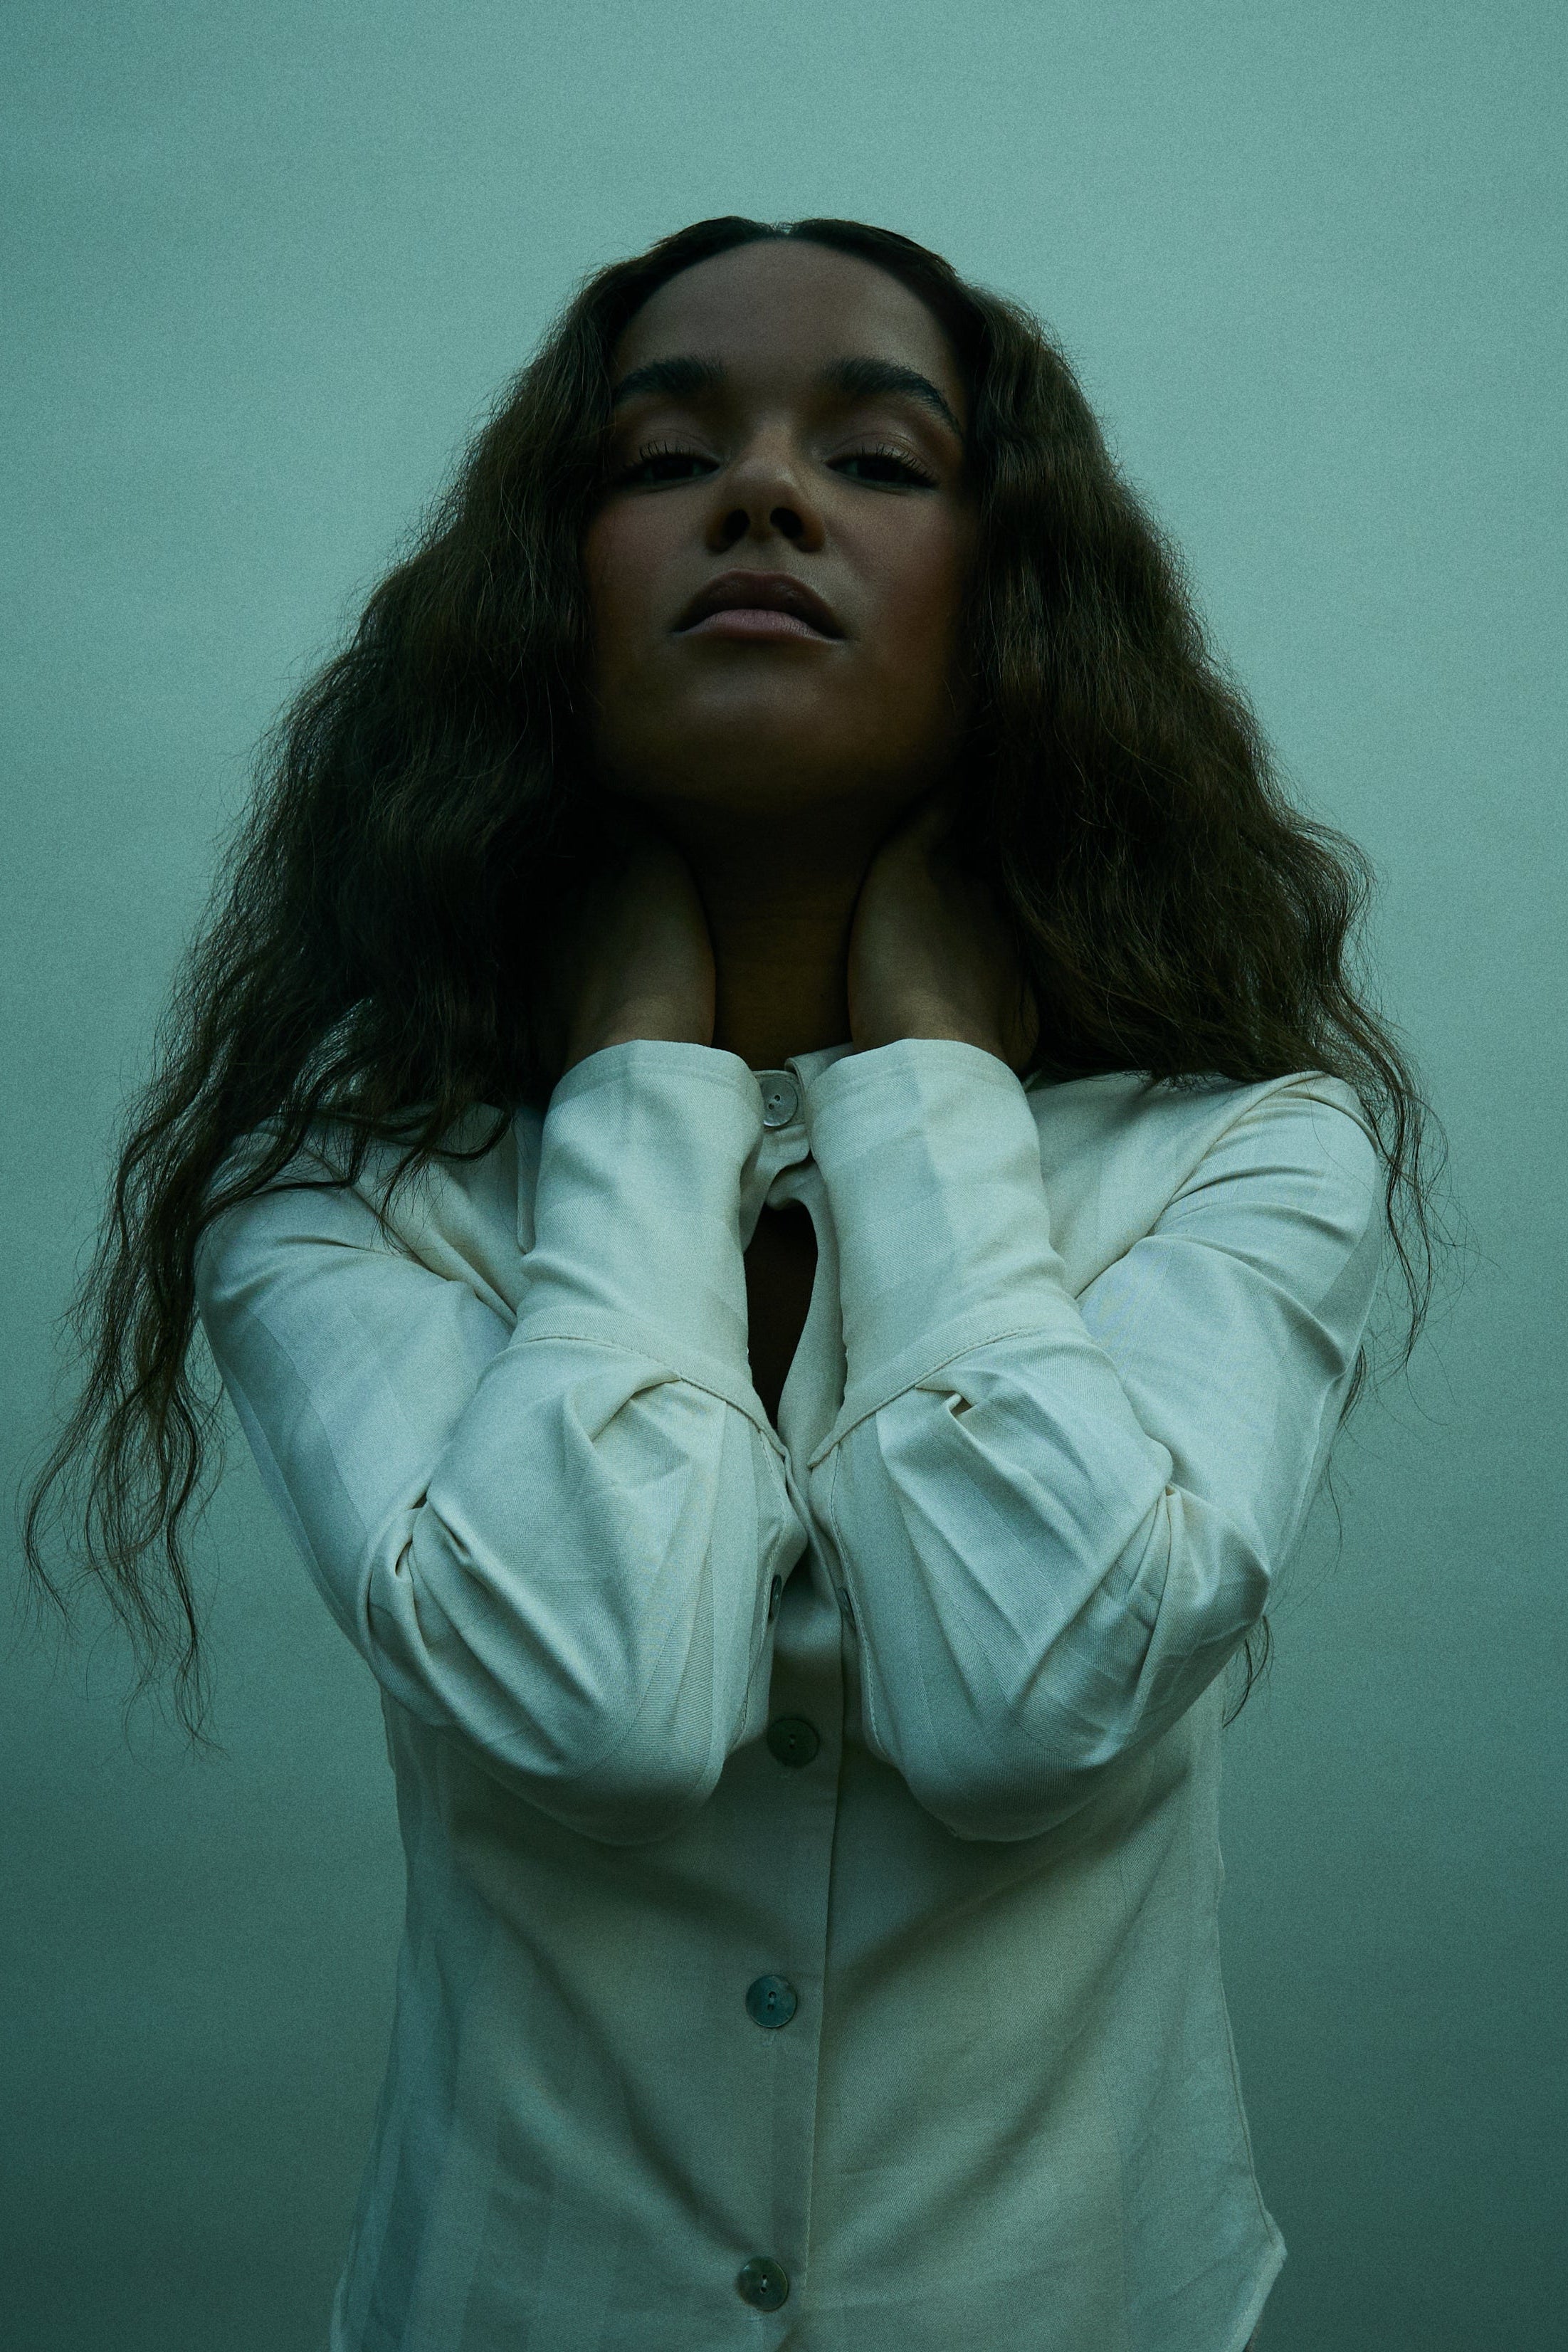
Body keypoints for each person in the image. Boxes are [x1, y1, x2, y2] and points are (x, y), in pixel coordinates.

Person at [26, 216, 1439, 2351]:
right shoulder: (333, 1192)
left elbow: (1025, 1701)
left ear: (1015, 600)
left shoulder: (1244, 1150)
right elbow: (599, 1714)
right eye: (662, 454)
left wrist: (936, 1091)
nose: (763, 493)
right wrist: (639, 1091)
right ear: (545, 589)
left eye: (878, 459)